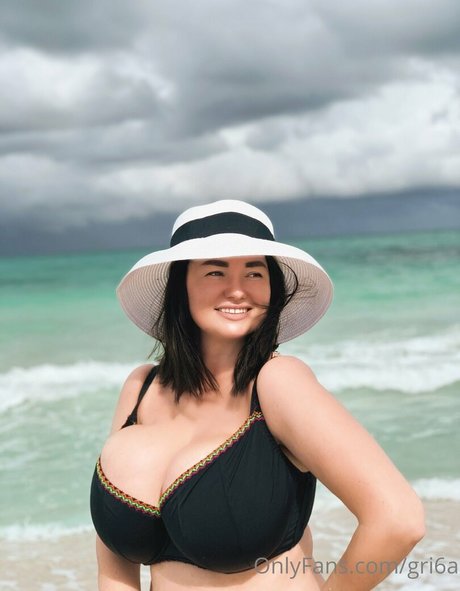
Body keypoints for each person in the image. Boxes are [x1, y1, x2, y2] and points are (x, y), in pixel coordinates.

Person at [90, 199, 425, 591]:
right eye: (215, 271)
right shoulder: (141, 389)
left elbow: (398, 519)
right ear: (180, 286)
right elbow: (114, 563)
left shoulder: (278, 383)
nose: (237, 290)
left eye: (254, 272)